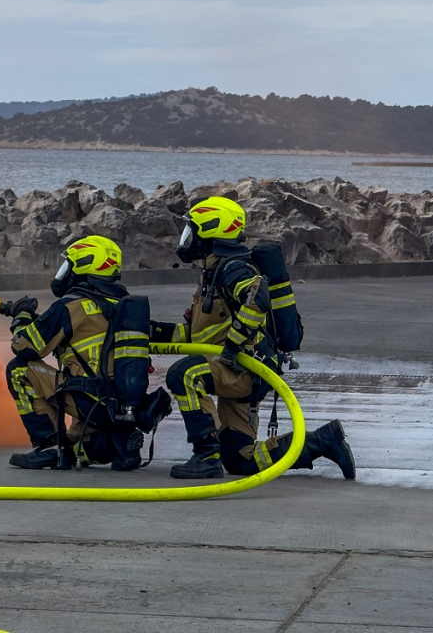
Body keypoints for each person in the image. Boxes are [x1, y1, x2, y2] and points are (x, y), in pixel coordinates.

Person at [150, 196, 356, 480]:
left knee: (183, 375)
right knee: (241, 461)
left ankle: (206, 455)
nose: (187, 238)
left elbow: (257, 298)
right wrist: (150, 332)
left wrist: (233, 346)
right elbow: (200, 335)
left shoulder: (233, 268)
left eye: (192, 230)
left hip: (244, 369)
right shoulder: (213, 273)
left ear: (212, 231)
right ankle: (321, 441)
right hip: (236, 368)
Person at [3, 235, 170, 471]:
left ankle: (49, 448)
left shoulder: (70, 306)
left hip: (90, 401)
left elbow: (26, 347)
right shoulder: (124, 307)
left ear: (84, 266)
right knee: (79, 445)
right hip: (124, 405)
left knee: (18, 369)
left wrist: (20, 317)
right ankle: (117, 443)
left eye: (68, 265)